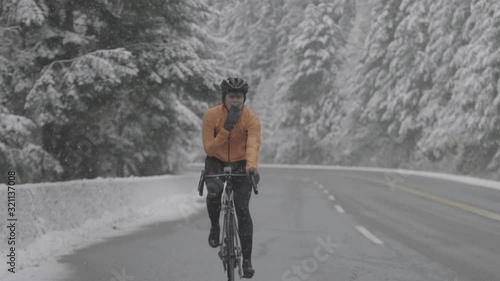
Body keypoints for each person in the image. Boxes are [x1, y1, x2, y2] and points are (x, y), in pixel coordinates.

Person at [202, 77, 261, 278]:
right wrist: (227, 128)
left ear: (244, 98)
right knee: (213, 191)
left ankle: (247, 260)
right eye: (231, 97)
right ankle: (215, 225)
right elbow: (209, 148)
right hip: (215, 160)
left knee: (242, 209)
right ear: (224, 97)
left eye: (239, 97)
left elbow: (253, 144)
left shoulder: (251, 118)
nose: (235, 101)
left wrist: (252, 167)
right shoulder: (211, 115)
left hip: (241, 162)